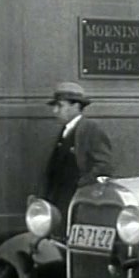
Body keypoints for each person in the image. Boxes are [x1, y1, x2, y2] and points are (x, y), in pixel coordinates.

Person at [40, 82, 114, 227]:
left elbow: (104, 165)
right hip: (58, 200)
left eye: (60, 106)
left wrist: (82, 184)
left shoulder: (90, 130)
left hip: (77, 201)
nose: (55, 111)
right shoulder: (64, 131)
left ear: (75, 106)